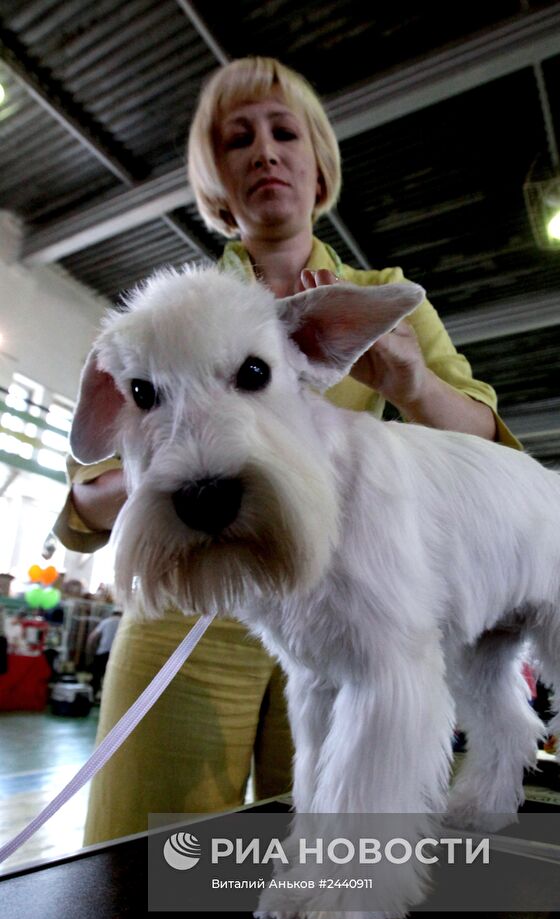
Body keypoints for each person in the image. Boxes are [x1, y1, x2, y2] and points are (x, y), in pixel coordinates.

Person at [54, 56, 522, 846]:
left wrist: (410, 381)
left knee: (334, 851)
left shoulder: (381, 298)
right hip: (192, 610)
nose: (264, 152)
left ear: (318, 162)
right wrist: (179, 473)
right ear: (216, 179)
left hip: (346, 606)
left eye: (284, 132)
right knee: (149, 861)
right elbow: (86, 495)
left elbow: (486, 444)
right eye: (237, 140)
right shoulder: (156, 318)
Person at [85, 609, 122, 700]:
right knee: (113, 679)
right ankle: (109, 700)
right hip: (117, 655)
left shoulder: (106, 622)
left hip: (102, 652)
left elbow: (92, 637)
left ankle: (92, 697)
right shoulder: (123, 623)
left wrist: (90, 651)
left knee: (97, 677)